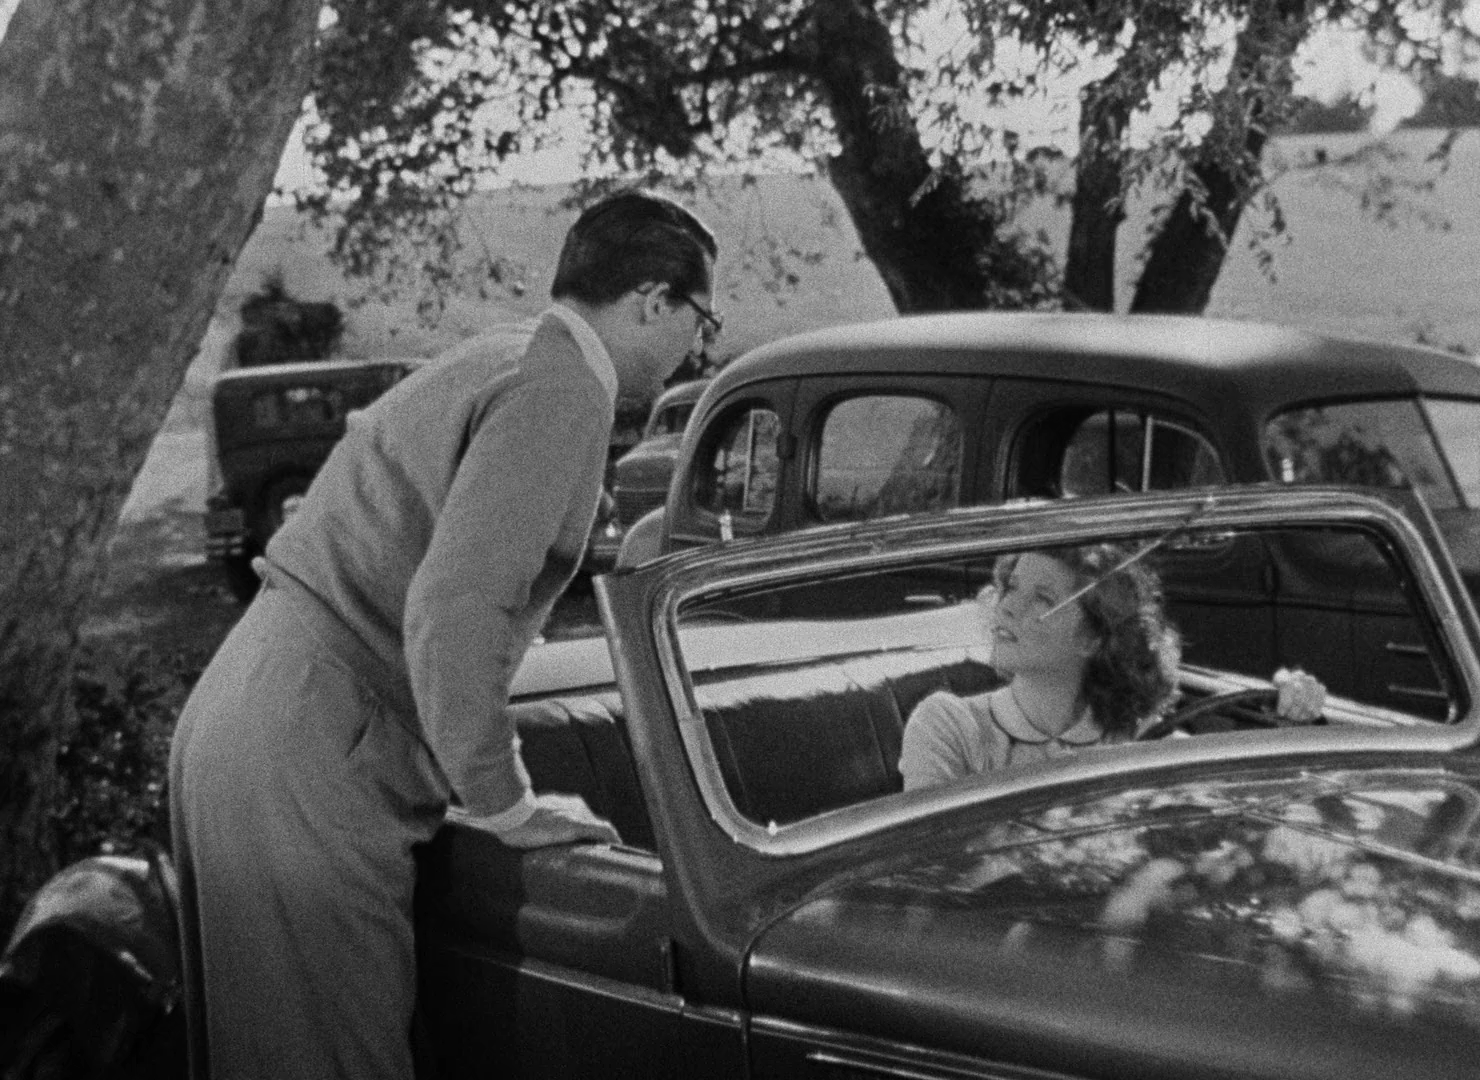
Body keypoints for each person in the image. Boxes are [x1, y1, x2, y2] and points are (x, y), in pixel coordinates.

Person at [168, 189, 720, 1080]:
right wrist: (505, 800)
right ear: (653, 300)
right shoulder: (564, 385)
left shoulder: (507, 354)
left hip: (259, 708)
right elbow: (457, 605)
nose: (700, 346)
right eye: (703, 317)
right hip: (315, 736)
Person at [899, 543, 1326, 791]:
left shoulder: (1138, 737)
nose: (1007, 607)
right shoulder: (948, 725)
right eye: (1010, 588)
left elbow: (1211, 821)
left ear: (1092, 638)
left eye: (1043, 599)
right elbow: (928, 879)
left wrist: (1291, 724)